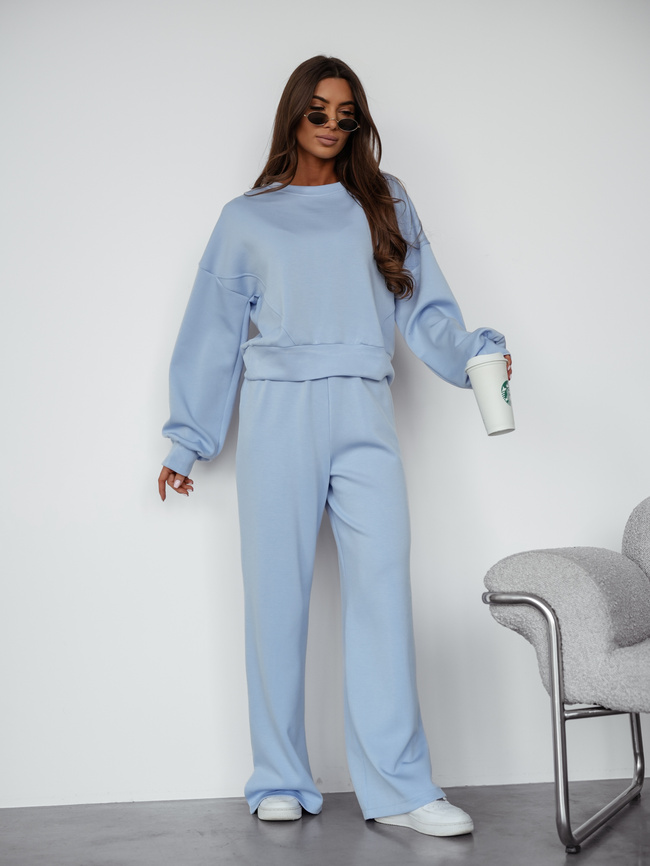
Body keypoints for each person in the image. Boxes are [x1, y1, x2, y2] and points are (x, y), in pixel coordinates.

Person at [158, 55, 511, 837]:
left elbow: (425, 307)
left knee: (382, 595)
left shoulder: (384, 201)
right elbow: (213, 333)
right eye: (317, 111)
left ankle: (401, 788)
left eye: (345, 115)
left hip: (363, 407)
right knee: (275, 597)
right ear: (293, 114)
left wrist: (473, 356)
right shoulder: (246, 219)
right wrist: (187, 440)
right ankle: (279, 777)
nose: (330, 125)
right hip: (277, 412)